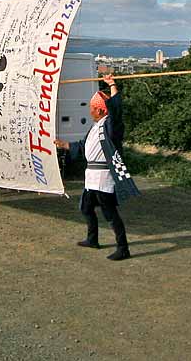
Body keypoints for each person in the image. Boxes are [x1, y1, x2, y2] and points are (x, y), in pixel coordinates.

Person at [55, 90, 138, 261]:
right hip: (91, 176)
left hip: (103, 177)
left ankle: (123, 248)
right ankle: (93, 239)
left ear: (100, 110)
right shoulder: (95, 126)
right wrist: (64, 145)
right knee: (86, 207)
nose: (90, 111)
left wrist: (112, 85)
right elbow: (83, 146)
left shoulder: (111, 126)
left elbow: (116, 111)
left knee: (110, 213)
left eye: (92, 108)